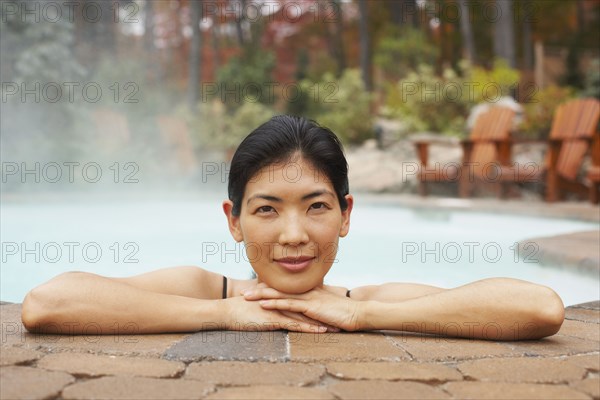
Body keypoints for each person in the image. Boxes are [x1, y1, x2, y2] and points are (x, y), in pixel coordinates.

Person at [21, 115, 565, 340]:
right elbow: (48, 303)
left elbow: (538, 307)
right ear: (232, 221)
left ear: (346, 215)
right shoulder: (204, 289)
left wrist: (365, 314)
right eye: (266, 209)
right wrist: (226, 313)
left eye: (316, 206)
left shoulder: (368, 298)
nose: (293, 234)